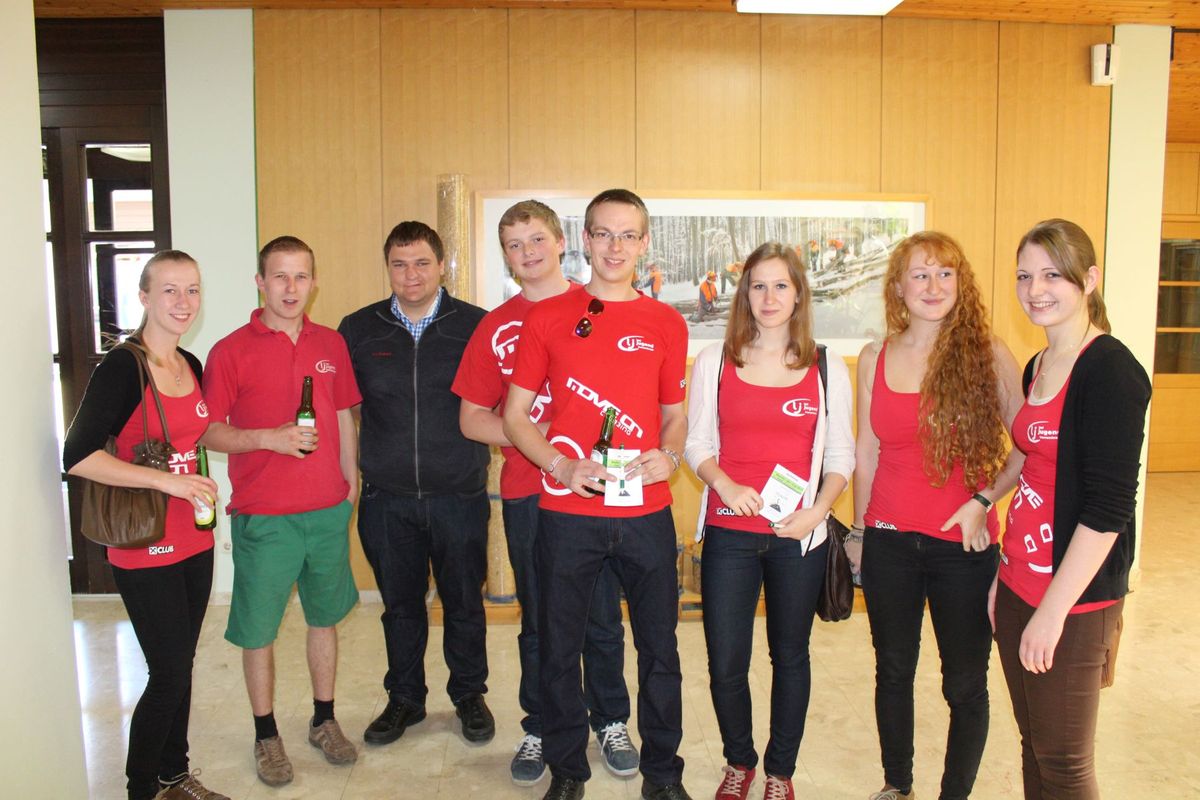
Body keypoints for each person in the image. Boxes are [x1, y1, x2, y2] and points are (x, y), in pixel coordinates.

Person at [503, 189, 693, 800]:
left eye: (628, 235)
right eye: (604, 234)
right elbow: (514, 417)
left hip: (645, 512)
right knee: (559, 650)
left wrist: (670, 456)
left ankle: (663, 778)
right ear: (584, 240)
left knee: (660, 651)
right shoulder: (546, 317)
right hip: (567, 513)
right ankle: (567, 773)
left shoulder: (666, 322)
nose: (616, 247)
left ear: (644, 243)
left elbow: (675, 417)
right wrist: (560, 465)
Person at [452, 200, 637, 786]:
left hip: (596, 490)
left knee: (601, 616)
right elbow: (471, 419)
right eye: (514, 244)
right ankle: (541, 726)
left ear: (562, 242)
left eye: (537, 239)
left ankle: (610, 720)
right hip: (529, 492)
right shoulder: (496, 326)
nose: (527, 252)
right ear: (505, 256)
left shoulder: (601, 307)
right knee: (540, 620)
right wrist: (538, 440)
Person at [849, 231, 1023, 800]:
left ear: (960, 283)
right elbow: (867, 452)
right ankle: (897, 785)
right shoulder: (874, 357)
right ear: (898, 287)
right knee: (893, 672)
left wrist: (983, 501)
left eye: (945, 273)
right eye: (919, 274)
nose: (933, 285)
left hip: (964, 548)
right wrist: (859, 532)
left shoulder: (988, 353)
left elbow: (1028, 448)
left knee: (965, 684)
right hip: (889, 542)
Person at [685, 242, 854, 800]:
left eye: (781, 285)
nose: (769, 297)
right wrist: (726, 486)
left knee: (790, 656)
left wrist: (817, 513)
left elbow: (842, 455)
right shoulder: (715, 361)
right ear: (745, 293)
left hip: (797, 537)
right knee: (725, 661)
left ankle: (780, 772)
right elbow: (697, 443)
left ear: (799, 294)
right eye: (758, 285)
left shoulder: (825, 365)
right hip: (730, 536)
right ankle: (739, 762)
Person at [993, 219, 1150, 799]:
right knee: (1034, 744)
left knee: (1064, 763)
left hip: (1073, 600)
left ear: (1089, 279)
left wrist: (1053, 612)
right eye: (1024, 276)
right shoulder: (1038, 365)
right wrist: (1005, 578)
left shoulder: (1110, 371)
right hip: (1018, 582)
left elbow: (1109, 509)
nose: (1035, 290)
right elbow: (1033, 469)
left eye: (1052, 275)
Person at [63, 251, 228, 800]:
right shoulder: (123, 368)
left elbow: (194, 438)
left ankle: (174, 777)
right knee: (169, 672)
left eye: (193, 290)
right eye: (170, 290)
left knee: (182, 665)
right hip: (144, 542)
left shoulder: (190, 364)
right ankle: (141, 788)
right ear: (144, 297)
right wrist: (167, 483)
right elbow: (78, 455)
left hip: (194, 537)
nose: (184, 302)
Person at [200, 236, 361, 786]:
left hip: (326, 512)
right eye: (280, 276)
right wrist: (268, 438)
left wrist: (351, 485)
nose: (291, 288)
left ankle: (324, 719)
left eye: (301, 276)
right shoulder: (229, 351)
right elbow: (209, 431)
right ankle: (266, 734)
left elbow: (342, 417)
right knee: (258, 631)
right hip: (264, 516)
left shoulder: (331, 343)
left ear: (314, 282)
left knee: (324, 619)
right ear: (260, 282)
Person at [338, 221, 495, 747]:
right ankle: (405, 698)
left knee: (464, 603)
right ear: (388, 268)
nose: (411, 275)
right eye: (400, 264)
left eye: (422, 263)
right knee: (400, 607)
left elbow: (495, 401)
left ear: (442, 266)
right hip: (388, 499)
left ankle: (469, 694)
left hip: (459, 495)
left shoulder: (475, 325)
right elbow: (348, 407)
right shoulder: (359, 328)